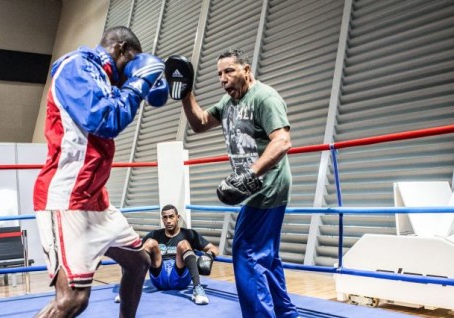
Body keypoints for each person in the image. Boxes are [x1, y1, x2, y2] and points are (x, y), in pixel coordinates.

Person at [32, 25, 167, 318]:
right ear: (119, 49)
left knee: (138, 263)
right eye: (131, 61)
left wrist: (141, 85)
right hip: (67, 199)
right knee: (72, 300)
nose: (131, 69)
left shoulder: (105, 80)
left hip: (97, 202)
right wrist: (139, 81)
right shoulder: (74, 68)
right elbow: (106, 119)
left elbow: (116, 105)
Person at [170, 49, 297, 317]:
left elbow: (282, 141)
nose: (223, 78)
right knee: (266, 258)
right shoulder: (228, 103)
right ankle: (286, 314)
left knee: (246, 255)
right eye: (219, 74)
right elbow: (200, 123)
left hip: (267, 187)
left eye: (229, 71)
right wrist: (185, 93)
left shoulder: (264, 97)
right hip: (255, 190)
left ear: (246, 70)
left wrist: (250, 174)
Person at [142, 204, 219, 305]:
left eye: (171, 216)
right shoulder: (155, 234)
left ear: (177, 217)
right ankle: (130, 288)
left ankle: (197, 290)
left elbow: (214, 248)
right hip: (159, 276)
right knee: (150, 242)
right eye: (165, 217)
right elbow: (137, 250)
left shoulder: (189, 234)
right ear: (162, 219)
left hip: (180, 275)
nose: (168, 221)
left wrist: (209, 255)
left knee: (183, 244)